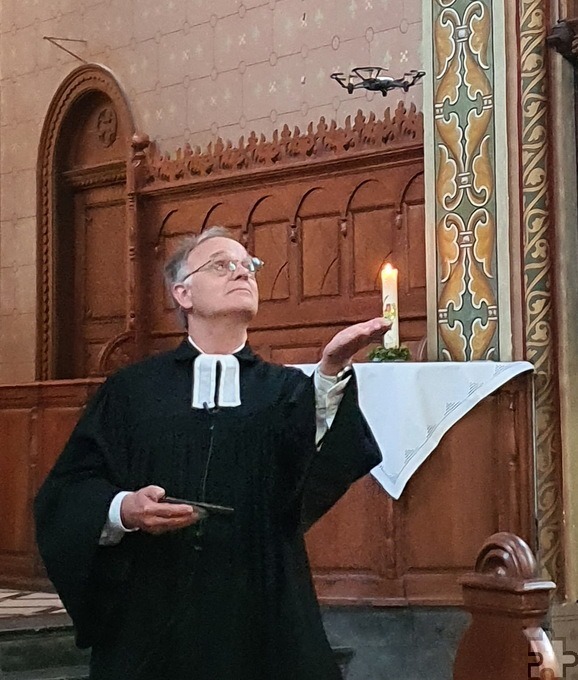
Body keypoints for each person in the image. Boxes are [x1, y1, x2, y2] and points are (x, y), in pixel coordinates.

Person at [35, 226, 387, 680]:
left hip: (261, 609)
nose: (242, 272)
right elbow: (68, 491)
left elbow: (314, 472)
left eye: (248, 266)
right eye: (222, 264)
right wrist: (125, 509)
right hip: (154, 610)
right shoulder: (132, 391)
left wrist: (330, 372)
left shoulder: (287, 391)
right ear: (182, 293)